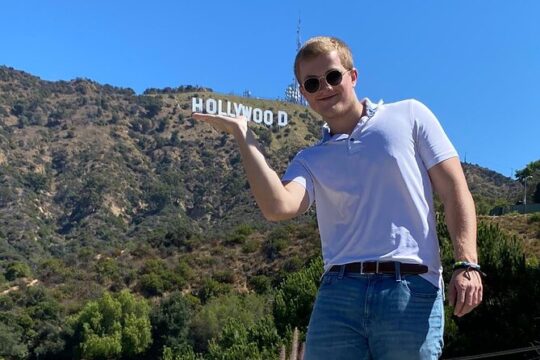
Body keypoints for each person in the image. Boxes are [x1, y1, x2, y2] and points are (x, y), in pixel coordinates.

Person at [193, 36, 483, 359]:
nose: (325, 88)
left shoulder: (410, 115)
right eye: (313, 83)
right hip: (338, 296)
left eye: (332, 76)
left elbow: (455, 189)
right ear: (304, 94)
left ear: (353, 76)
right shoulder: (310, 159)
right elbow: (279, 206)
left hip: (410, 288)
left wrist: (467, 263)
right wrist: (244, 136)